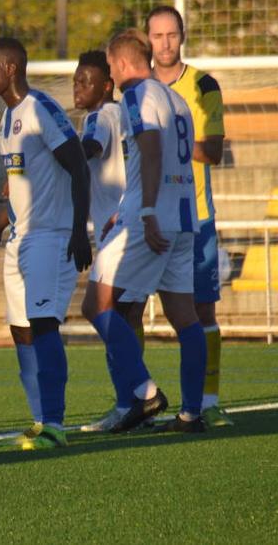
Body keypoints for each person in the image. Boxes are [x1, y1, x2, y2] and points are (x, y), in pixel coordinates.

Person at [82, 30, 208, 434]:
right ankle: (192, 414)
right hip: (184, 217)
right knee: (185, 318)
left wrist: (147, 210)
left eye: (111, 66)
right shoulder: (177, 99)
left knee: (97, 305)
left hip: (150, 217)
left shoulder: (136, 95)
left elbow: (150, 150)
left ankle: (142, 394)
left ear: (119, 64)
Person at [0, 38, 91, 451]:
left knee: (44, 325)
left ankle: (56, 424)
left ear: (9, 69)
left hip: (50, 237)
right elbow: (23, 184)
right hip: (20, 237)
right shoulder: (7, 121)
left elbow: (78, 164)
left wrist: (79, 229)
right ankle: (40, 420)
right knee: (21, 331)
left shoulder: (41, 108)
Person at [147, 5, 232, 427]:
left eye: (171, 35)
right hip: (145, 218)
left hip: (194, 217)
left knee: (202, 313)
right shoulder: (137, 88)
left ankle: (207, 402)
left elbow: (213, 152)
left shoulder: (204, 85)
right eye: (157, 36)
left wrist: (165, 147)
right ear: (148, 40)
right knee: (122, 308)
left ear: (182, 36)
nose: (165, 43)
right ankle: (134, 401)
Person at [71, 50, 133, 433]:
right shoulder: (125, 114)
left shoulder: (101, 116)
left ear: (106, 86)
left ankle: (132, 400)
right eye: (76, 79)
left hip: (116, 231)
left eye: (86, 81)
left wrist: (53, 157)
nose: (78, 86)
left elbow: (89, 148)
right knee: (124, 318)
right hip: (132, 224)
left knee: (97, 309)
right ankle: (132, 402)